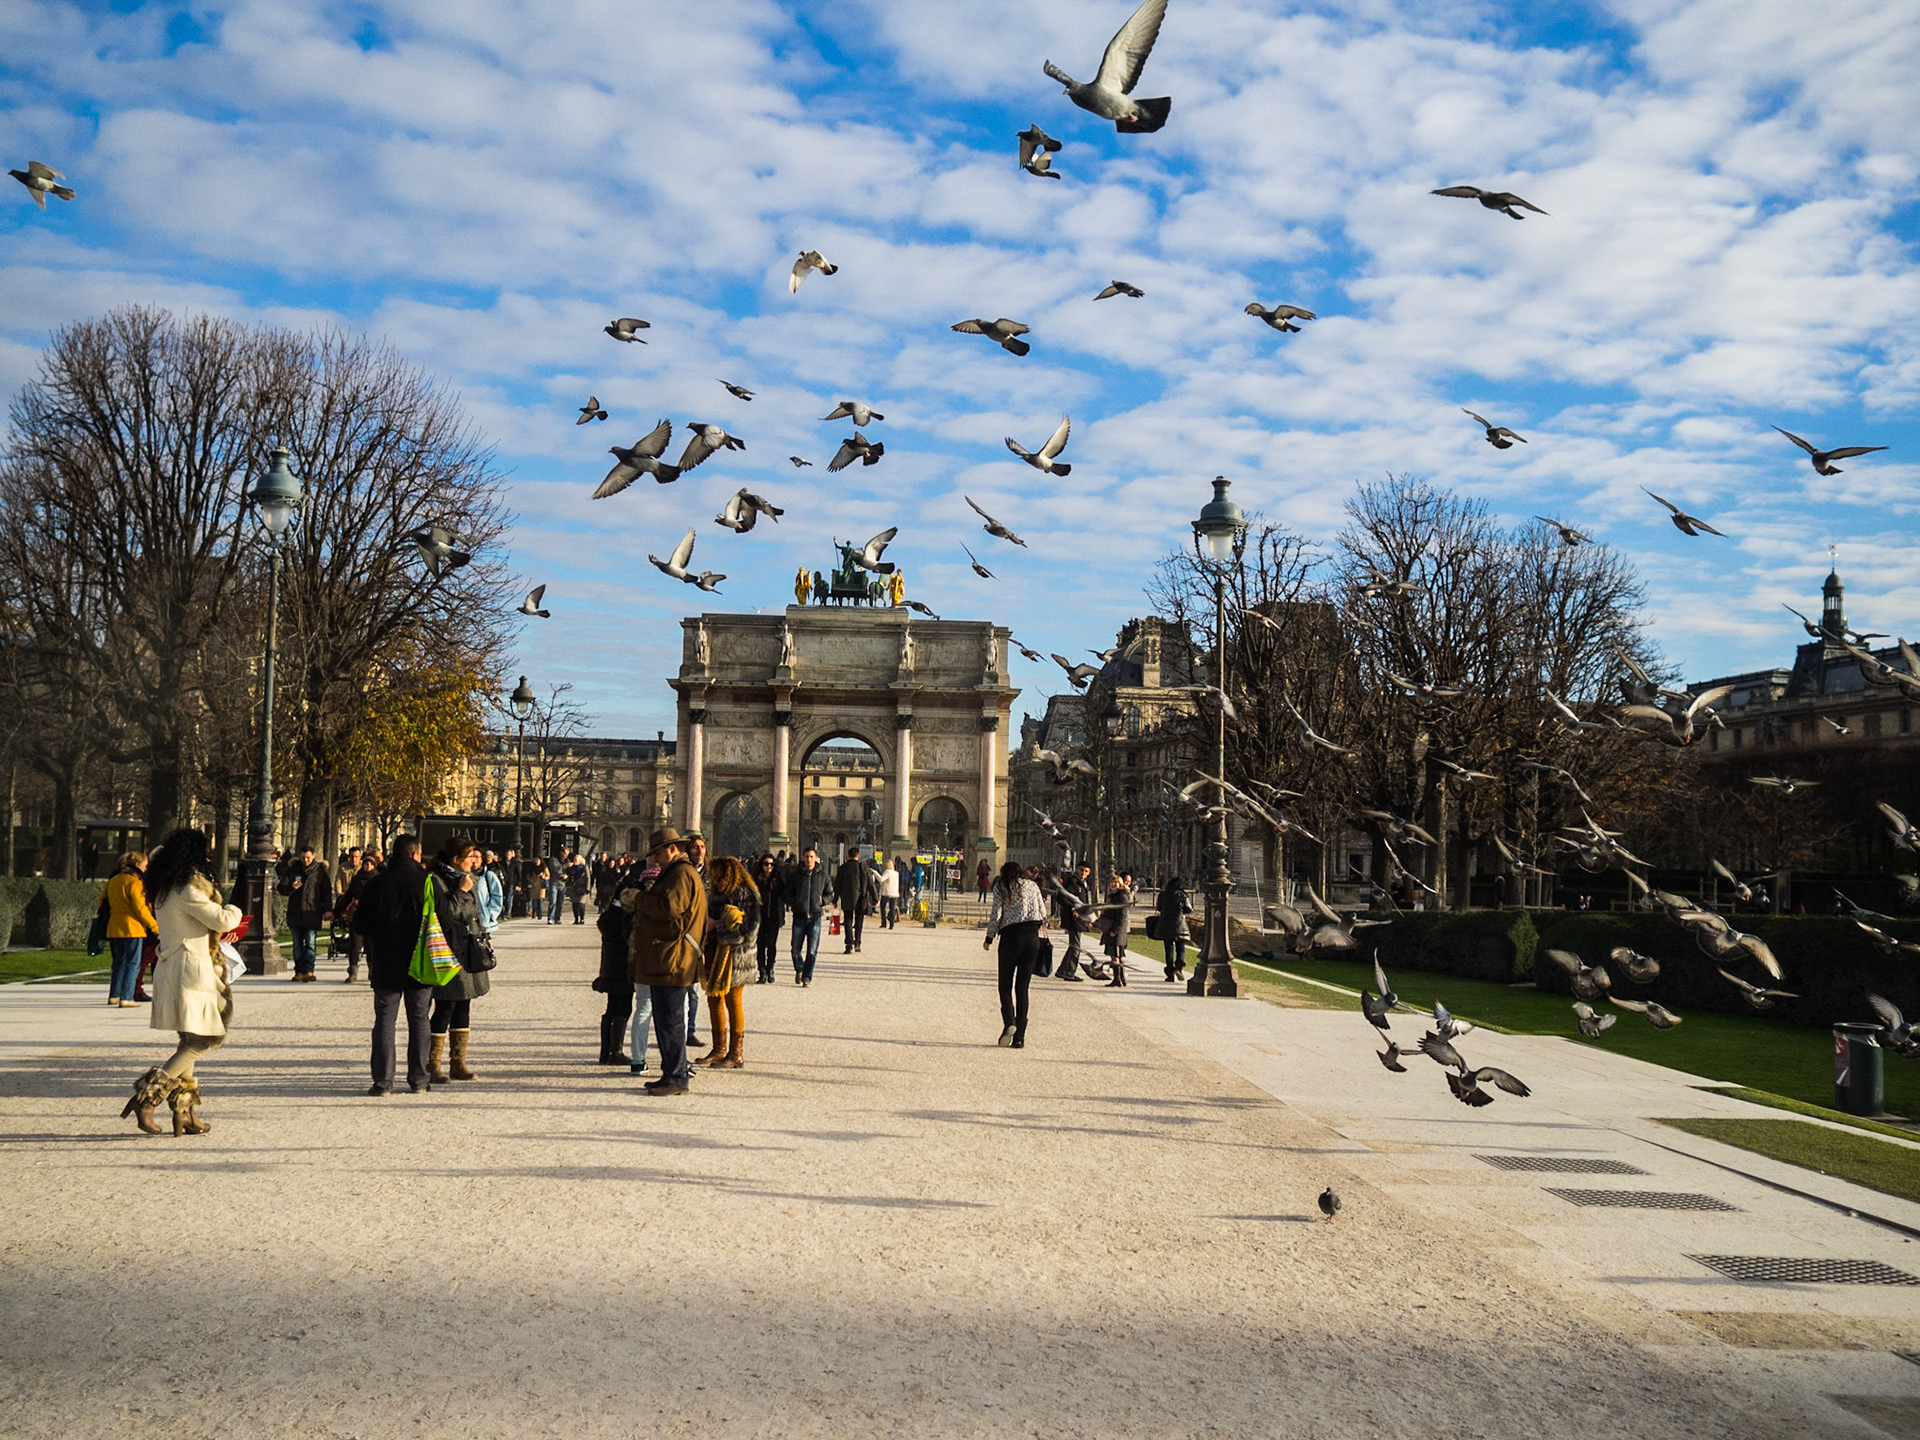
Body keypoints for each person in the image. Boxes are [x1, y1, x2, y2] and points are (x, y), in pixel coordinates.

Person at [119, 828, 243, 1136]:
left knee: (188, 1041)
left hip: (174, 968)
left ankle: (186, 1113)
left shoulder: (164, 888)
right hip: (192, 972)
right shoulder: (187, 889)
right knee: (203, 1040)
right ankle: (146, 1098)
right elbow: (224, 920)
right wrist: (235, 908)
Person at [621, 828, 708, 1097]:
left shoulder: (681, 874)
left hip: (673, 959)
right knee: (667, 1020)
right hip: (670, 957)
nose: (655, 860)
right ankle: (672, 1073)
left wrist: (639, 898)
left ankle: (677, 1077)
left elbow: (670, 909)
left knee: (670, 1021)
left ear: (671, 848)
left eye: (657, 853)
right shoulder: (678, 872)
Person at [352, 834, 435, 1095]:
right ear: (415, 854)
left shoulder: (377, 884)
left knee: (385, 1022)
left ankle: (382, 1082)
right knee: (420, 1020)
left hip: (386, 960)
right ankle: (419, 1079)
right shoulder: (427, 884)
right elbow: (442, 921)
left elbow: (361, 925)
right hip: (419, 961)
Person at [425, 837, 491, 1084]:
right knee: (445, 1006)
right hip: (448, 952)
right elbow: (445, 915)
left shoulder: (467, 879)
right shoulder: (436, 880)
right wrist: (462, 892)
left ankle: (458, 1062)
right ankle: (432, 1063)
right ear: (456, 859)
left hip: (469, 952)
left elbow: (473, 915)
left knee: (464, 1005)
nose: (475, 861)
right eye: (470, 857)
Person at [699, 855, 759, 1068]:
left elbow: (750, 929)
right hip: (717, 952)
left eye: (718, 877)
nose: (714, 881)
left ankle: (736, 1054)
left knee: (733, 1001)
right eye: (713, 877)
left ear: (729, 875)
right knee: (714, 999)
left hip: (737, 956)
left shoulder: (745, 893)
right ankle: (719, 1049)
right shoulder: (718, 895)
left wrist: (719, 927)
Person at [982, 860, 1047, 1050]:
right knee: (1022, 988)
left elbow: (997, 913)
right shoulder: (1032, 885)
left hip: (1011, 938)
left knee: (1005, 985)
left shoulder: (1002, 886)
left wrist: (989, 937)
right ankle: (1020, 1037)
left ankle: (1009, 1021)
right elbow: (1042, 911)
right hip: (1032, 938)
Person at [594, 853, 649, 1070]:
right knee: (623, 1007)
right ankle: (615, 1051)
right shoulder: (625, 915)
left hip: (610, 966)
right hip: (622, 965)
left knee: (611, 1007)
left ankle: (605, 1051)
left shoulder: (612, 913)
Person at [103, 851, 158, 1008]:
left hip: (114, 926)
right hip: (132, 927)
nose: (146, 869)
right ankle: (126, 997)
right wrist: (155, 927)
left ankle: (114, 995)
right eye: (145, 866)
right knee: (133, 963)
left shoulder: (114, 880)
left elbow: (102, 901)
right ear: (138, 865)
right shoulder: (134, 882)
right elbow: (140, 908)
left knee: (118, 962)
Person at [277, 843, 334, 982]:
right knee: (297, 945)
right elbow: (281, 888)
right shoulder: (292, 870)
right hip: (296, 913)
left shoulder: (320, 871)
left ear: (313, 856)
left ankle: (309, 970)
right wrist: (291, 887)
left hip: (312, 912)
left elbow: (326, 892)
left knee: (310, 943)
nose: (305, 861)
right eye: (303, 858)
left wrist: (327, 909)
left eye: (308, 858)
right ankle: (298, 971)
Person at [785, 845, 829, 985]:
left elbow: (830, 893)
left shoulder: (823, 876)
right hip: (799, 916)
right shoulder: (795, 876)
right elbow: (786, 894)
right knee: (795, 950)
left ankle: (806, 977)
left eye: (811, 856)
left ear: (816, 858)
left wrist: (821, 901)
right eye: (806, 856)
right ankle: (800, 968)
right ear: (802, 858)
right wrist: (795, 902)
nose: (809, 859)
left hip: (815, 917)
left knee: (812, 950)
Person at [338, 852, 378, 982]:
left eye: (369, 864)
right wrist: (336, 911)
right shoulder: (357, 879)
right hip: (357, 915)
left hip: (373, 916)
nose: (367, 866)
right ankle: (353, 971)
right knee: (355, 944)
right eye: (365, 863)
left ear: (374, 865)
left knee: (371, 945)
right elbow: (348, 896)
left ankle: (372, 971)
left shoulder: (378, 879)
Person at [835, 844, 876, 953]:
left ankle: (848, 944)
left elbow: (837, 885)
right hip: (861, 898)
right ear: (858, 856)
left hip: (847, 897)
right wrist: (875, 898)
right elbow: (870, 884)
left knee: (848, 920)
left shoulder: (842, 868)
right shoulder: (863, 867)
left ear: (848, 856)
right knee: (859, 920)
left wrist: (834, 900)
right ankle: (857, 942)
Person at [752, 853, 785, 983]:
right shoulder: (755, 880)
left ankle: (770, 968)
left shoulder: (778, 880)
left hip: (774, 916)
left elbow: (785, 896)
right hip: (760, 917)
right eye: (766, 864)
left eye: (771, 864)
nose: (769, 866)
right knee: (760, 945)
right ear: (762, 865)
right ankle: (762, 972)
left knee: (771, 944)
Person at [1156, 875, 1192, 982]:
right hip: (1180, 924)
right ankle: (1179, 967)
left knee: (1169, 949)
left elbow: (1159, 908)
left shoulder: (1163, 894)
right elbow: (1189, 909)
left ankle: (1170, 973)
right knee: (1181, 948)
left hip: (1165, 924)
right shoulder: (1183, 895)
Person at [1098, 873, 1131, 987]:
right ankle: (1121, 978)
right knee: (1119, 955)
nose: (1113, 884)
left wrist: (1115, 930)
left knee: (1115, 955)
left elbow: (1122, 916)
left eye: (1116, 882)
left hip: (1116, 930)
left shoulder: (1121, 896)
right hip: (1115, 929)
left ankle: (1117, 979)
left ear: (1120, 884)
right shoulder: (1113, 896)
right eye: (1112, 882)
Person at [876, 857, 899, 929]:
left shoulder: (887, 872)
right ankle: (892, 924)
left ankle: (884, 923)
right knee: (892, 908)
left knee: (883, 908)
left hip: (886, 892)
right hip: (894, 892)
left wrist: (875, 873)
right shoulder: (896, 873)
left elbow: (881, 879)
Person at [548, 855, 570, 924]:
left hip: (562, 883)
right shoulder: (554, 860)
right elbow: (555, 869)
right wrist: (565, 866)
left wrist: (567, 876)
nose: (566, 855)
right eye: (565, 854)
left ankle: (557, 917)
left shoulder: (567, 860)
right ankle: (550, 917)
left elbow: (570, 871)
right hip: (554, 882)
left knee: (560, 902)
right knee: (553, 901)